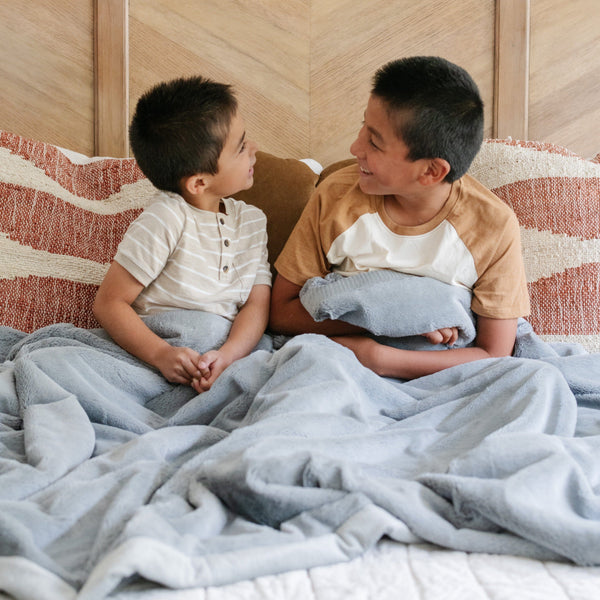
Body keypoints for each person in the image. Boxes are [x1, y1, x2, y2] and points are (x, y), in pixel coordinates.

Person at [269, 56, 530, 380]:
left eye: (374, 142)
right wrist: (398, 316)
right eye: (363, 127)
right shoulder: (337, 197)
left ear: (431, 171)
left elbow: (494, 354)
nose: (355, 147)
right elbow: (281, 312)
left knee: (536, 384)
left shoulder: (492, 226)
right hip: (340, 367)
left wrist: (380, 357)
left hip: (438, 378)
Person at [93, 76, 271, 393]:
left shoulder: (252, 222)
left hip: (227, 353)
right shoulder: (167, 217)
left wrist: (228, 356)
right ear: (199, 183)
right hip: (161, 354)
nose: (254, 149)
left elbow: (256, 306)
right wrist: (161, 354)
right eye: (241, 147)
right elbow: (109, 303)